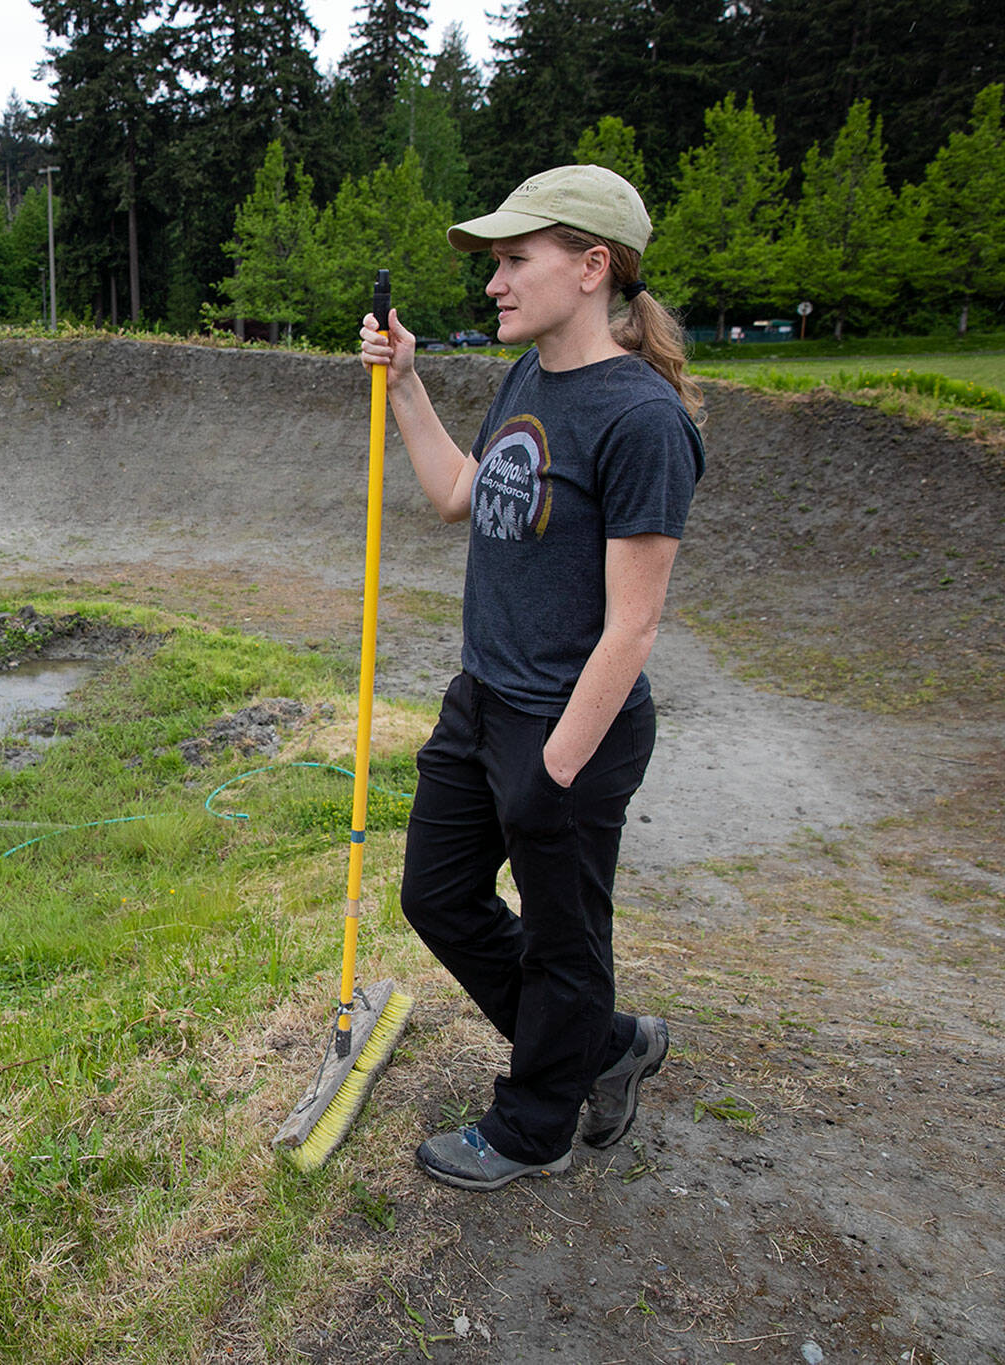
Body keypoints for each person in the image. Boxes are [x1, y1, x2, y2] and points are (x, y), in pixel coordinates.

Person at [357, 164, 704, 1192]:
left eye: (515, 260)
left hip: (569, 724)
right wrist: (406, 385)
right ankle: (596, 1046)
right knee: (437, 895)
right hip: (481, 701)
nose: (493, 283)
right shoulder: (529, 378)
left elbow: (632, 627)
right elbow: (460, 493)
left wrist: (554, 767)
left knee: (562, 939)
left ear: (592, 267)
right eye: (495, 264)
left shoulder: (639, 421)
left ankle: (535, 1125)